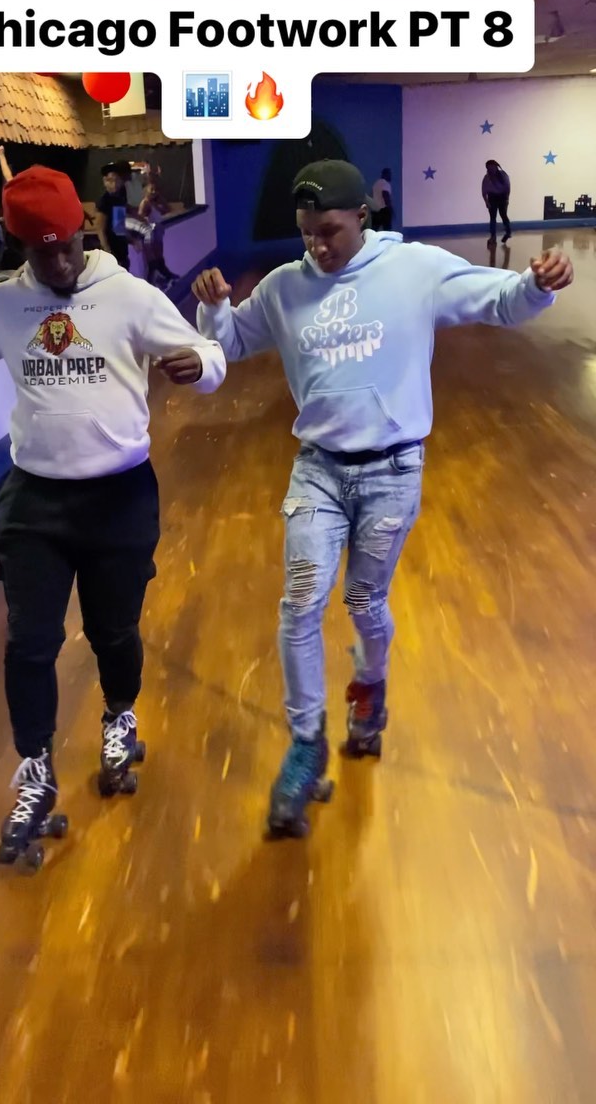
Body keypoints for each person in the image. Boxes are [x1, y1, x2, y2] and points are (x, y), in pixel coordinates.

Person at [192, 158, 573, 839]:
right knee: (300, 603)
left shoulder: (413, 270)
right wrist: (216, 306)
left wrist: (537, 285)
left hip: (392, 472)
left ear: (363, 216)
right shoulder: (283, 288)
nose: (318, 245)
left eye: (330, 231)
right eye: (307, 233)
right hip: (318, 470)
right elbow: (230, 344)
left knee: (365, 603)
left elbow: (501, 300)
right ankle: (306, 744)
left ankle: (369, 690)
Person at [0, 166, 226, 868]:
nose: (59, 262)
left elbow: (208, 352)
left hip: (120, 495)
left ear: (82, 231)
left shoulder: (129, 295)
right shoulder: (4, 304)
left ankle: (119, 718)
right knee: (29, 644)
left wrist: (200, 365)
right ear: (20, 248)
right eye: (42, 252)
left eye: (66, 245)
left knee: (113, 630)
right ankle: (34, 770)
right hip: (36, 498)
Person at [138, 182, 178, 287]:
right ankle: (152, 280)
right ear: (145, 190)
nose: (154, 192)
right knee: (152, 258)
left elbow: (167, 209)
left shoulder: (155, 203)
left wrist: (159, 202)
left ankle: (164, 275)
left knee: (159, 254)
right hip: (150, 232)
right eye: (151, 189)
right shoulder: (145, 203)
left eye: (155, 190)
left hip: (158, 231)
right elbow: (140, 217)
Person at [95, 161, 133, 270]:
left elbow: (119, 226)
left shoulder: (120, 197)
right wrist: (109, 254)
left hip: (122, 251)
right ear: (104, 181)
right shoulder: (104, 201)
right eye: (110, 180)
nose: (114, 184)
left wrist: (131, 240)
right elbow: (100, 230)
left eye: (117, 180)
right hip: (112, 253)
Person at [482, 160, 512, 245]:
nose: (491, 169)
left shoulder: (503, 175)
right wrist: (486, 202)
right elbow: (484, 191)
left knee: (503, 215)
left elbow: (508, 187)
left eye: (492, 167)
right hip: (492, 198)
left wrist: (507, 199)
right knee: (492, 218)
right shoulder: (487, 178)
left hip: (503, 197)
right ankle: (493, 236)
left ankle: (508, 232)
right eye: (489, 168)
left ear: (496, 166)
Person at [371, 167, 393, 232]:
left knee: (374, 229)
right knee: (387, 230)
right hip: (384, 210)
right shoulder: (385, 183)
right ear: (386, 174)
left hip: (375, 210)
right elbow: (385, 195)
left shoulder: (376, 184)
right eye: (389, 174)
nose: (390, 176)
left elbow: (371, 195)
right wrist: (390, 208)